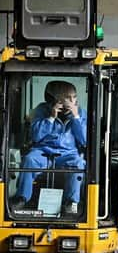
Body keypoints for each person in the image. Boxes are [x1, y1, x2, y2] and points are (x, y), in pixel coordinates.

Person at [13, 80, 86, 214]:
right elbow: (36, 136)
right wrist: (51, 118)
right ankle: (21, 198)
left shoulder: (80, 113)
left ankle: (71, 202)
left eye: (74, 97)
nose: (73, 101)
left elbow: (84, 139)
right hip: (42, 151)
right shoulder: (42, 110)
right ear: (56, 99)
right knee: (29, 159)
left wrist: (76, 117)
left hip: (68, 153)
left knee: (79, 163)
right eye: (68, 98)